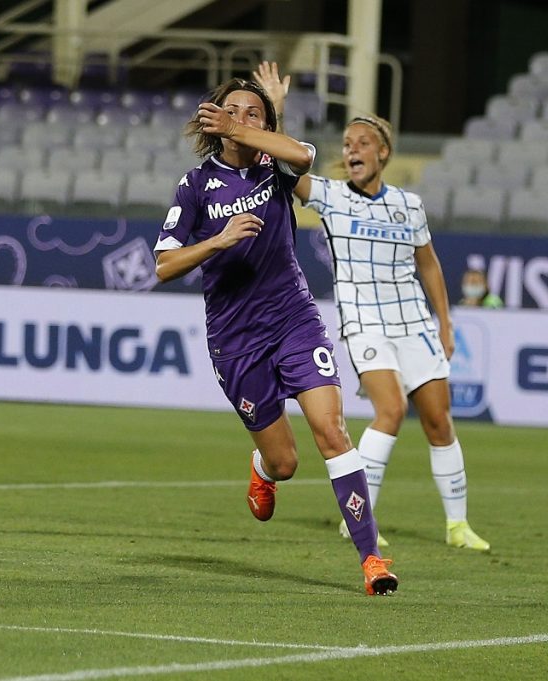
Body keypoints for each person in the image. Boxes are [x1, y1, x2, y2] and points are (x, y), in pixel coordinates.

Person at [152, 74, 398, 596]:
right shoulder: (195, 186)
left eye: (254, 114)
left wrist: (265, 121)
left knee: (332, 432)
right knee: (286, 462)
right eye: (233, 112)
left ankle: (372, 557)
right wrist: (216, 241)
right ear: (213, 123)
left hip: (294, 319)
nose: (242, 120)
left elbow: (305, 155)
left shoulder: (277, 168)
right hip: (236, 339)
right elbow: (164, 266)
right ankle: (263, 467)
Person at [254, 62, 490, 551]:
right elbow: (284, 165)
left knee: (440, 421)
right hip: (365, 324)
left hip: (414, 322)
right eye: (347, 145)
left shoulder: (409, 205)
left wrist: (445, 322)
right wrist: (276, 110)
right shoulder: (332, 196)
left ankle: (458, 525)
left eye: (362, 144)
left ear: (384, 152)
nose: (352, 150)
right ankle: (357, 516)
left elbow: (429, 266)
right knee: (389, 409)